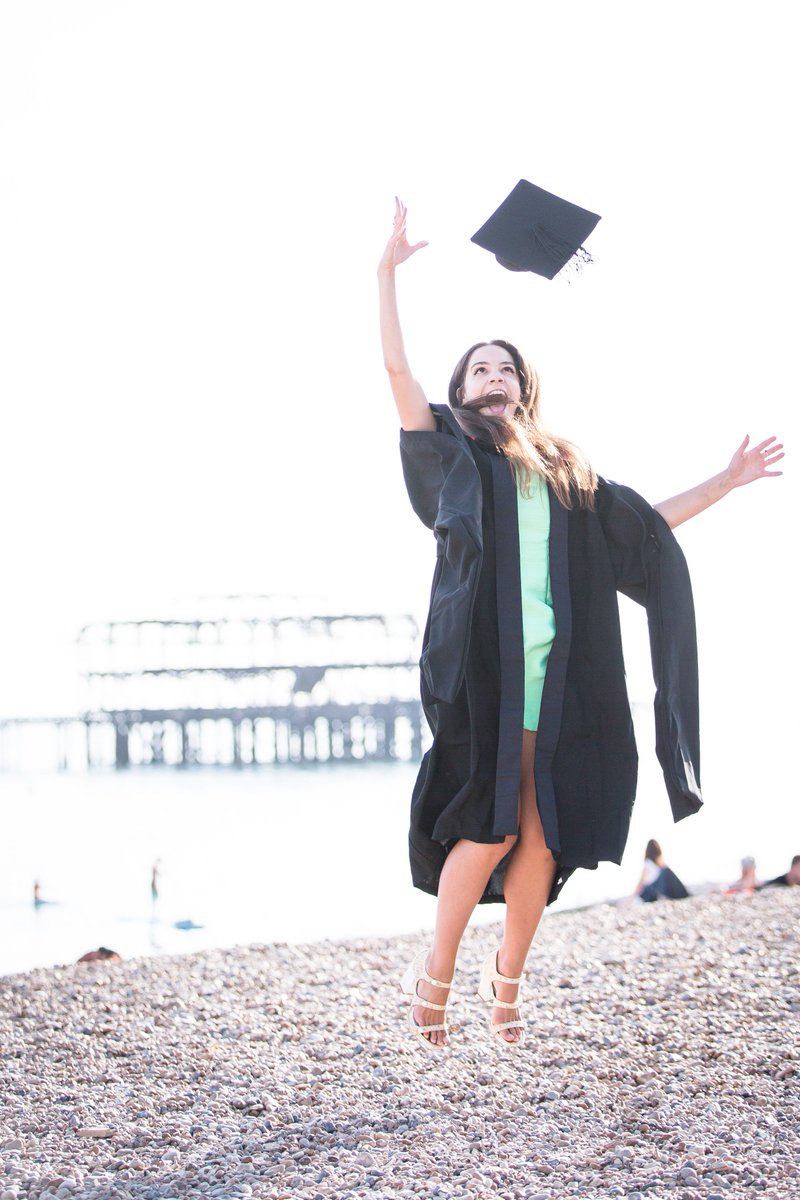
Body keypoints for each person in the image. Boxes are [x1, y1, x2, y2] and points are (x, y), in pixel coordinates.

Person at [379, 198, 784, 1049]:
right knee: (485, 829)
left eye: (504, 368)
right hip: (484, 675)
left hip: (561, 679)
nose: (491, 377)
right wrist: (385, 275)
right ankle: (439, 975)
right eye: (477, 370)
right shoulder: (451, 453)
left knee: (541, 834)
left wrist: (725, 480)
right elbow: (398, 379)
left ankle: (509, 987)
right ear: (461, 393)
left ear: (525, 388)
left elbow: (641, 531)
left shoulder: (567, 471)